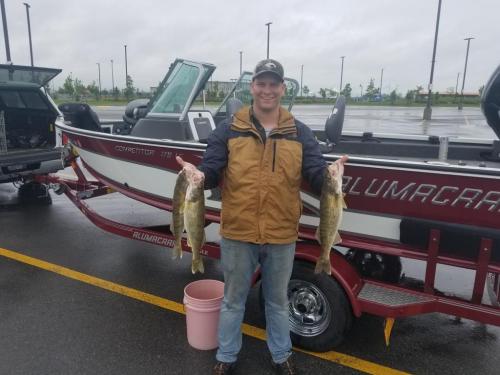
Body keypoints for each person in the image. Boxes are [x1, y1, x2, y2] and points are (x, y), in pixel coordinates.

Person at [176, 59, 348, 375]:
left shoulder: (300, 133)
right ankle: (226, 356)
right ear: (252, 87)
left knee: (277, 302)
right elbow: (212, 169)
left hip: (282, 234)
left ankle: (281, 355)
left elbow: (313, 173)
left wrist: (330, 174)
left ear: (282, 88)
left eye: (274, 84)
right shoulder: (228, 130)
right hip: (238, 233)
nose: (267, 90)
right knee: (232, 301)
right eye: (262, 83)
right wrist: (199, 175)